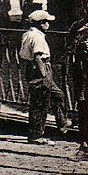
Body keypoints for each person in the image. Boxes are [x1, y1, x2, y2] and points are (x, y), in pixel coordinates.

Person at [19, 9, 71, 144]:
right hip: (40, 68)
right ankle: (36, 136)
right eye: (47, 22)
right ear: (41, 23)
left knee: (57, 95)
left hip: (33, 68)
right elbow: (37, 56)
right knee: (40, 103)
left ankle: (62, 122)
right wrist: (43, 74)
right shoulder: (37, 37)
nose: (48, 25)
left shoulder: (28, 34)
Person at [66, 0, 88, 159]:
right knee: (82, 106)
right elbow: (68, 48)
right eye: (86, 3)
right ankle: (85, 145)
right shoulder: (76, 26)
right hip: (81, 72)